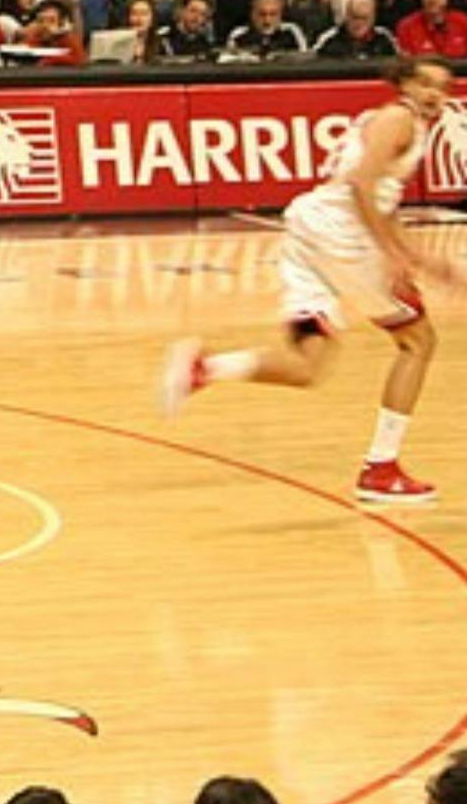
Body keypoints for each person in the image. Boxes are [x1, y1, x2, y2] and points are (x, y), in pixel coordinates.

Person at [165, 58, 457, 503]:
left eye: (443, 86)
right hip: (342, 235)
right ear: (403, 84)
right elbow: (361, 186)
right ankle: (381, 468)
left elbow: (380, 199)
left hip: (310, 230)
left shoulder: (390, 120)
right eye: (425, 83)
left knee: (309, 366)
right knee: (418, 341)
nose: (434, 93)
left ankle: (206, 368)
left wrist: (422, 259)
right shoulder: (400, 119)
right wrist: (392, 253)